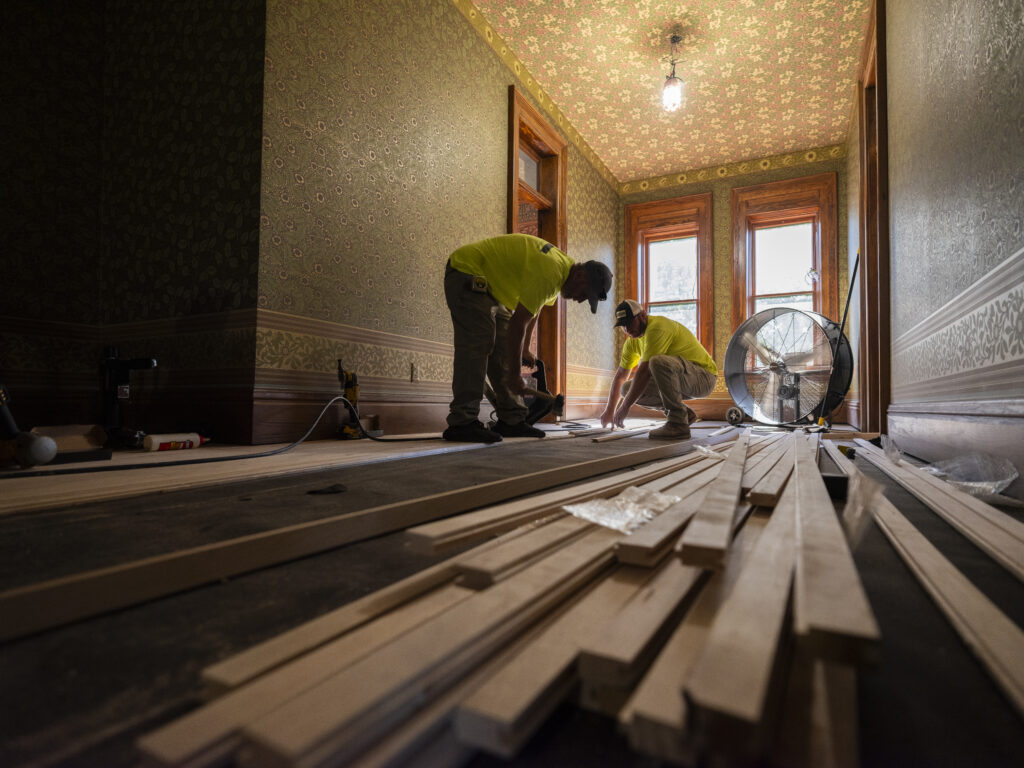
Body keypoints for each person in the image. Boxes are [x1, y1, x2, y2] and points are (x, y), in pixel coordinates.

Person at [444, 233, 613, 443]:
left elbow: (534, 310)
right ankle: (463, 422)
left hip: (492, 289)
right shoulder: (550, 272)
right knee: (478, 343)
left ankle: (512, 420)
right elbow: (518, 323)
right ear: (580, 277)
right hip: (467, 271)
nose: (580, 300)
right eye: (585, 294)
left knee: (505, 350)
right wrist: (515, 375)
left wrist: (523, 349)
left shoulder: (561, 271)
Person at [600, 299, 717, 440]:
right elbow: (621, 376)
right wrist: (610, 411)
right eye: (623, 325)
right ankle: (684, 414)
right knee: (625, 389)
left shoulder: (658, 327)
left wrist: (624, 408)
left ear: (642, 315)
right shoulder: (631, 343)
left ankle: (678, 423)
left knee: (656, 361)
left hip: (703, 377)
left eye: (630, 323)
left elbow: (644, 372)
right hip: (682, 378)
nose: (627, 329)